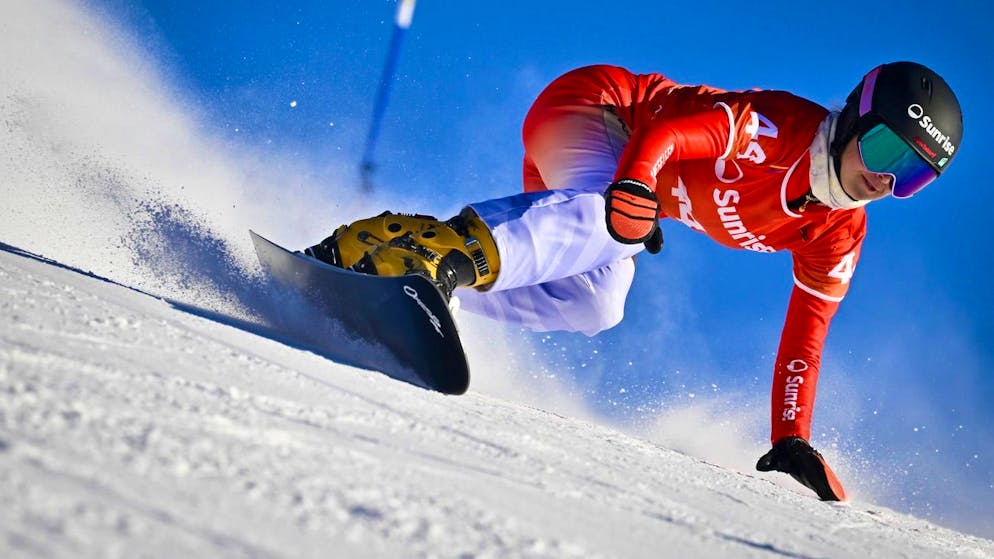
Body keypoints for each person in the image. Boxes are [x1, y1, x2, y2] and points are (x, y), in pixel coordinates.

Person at [304, 62, 962, 501]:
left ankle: (404, 267)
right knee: (619, 231)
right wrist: (636, 183)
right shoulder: (781, 130)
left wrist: (789, 436)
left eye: (912, 175)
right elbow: (674, 132)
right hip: (599, 110)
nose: (884, 178)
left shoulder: (838, 234)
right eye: (884, 150)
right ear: (853, 119)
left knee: (598, 302)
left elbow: (806, 338)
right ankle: (433, 255)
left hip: (602, 191)